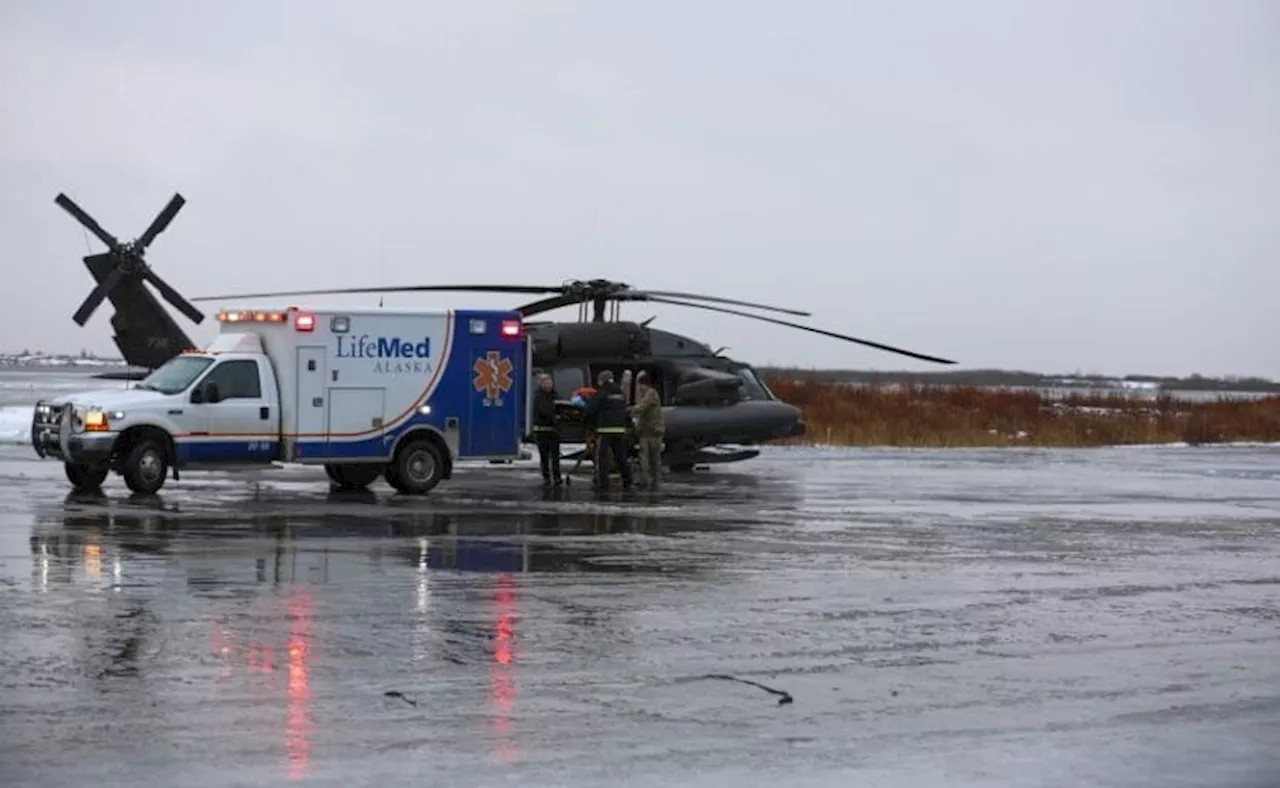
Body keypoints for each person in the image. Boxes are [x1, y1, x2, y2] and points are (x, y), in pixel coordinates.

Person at [583, 370, 633, 490]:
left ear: (602, 380)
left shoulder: (602, 392)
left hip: (605, 430)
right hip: (620, 429)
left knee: (602, 457)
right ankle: (627, 480)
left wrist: (590, 423)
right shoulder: (620, 393)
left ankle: (603, 482)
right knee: (621, 456)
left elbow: (590, 410)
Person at [631, 371, 664, 490]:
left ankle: (648, 481)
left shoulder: (650, 394)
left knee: (648, 458)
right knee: (650, 459)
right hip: (648, 431)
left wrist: (630, 410)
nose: (639, 388)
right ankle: (652, 481)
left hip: (652, 432)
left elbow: (642, 407)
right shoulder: (648, 394)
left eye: (640, 385)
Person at [531, 374, 562, 486]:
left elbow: (560, 407)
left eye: (550, 382)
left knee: (555, 456)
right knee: (544, 457)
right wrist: (555, 417)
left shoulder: (555, 395)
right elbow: (544, 410)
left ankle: (557, 477)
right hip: (542, 431)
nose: (549, 384)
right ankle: (546, 477)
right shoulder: (539, 396)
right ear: (541, 384)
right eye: (546, 382)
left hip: (554, 431)